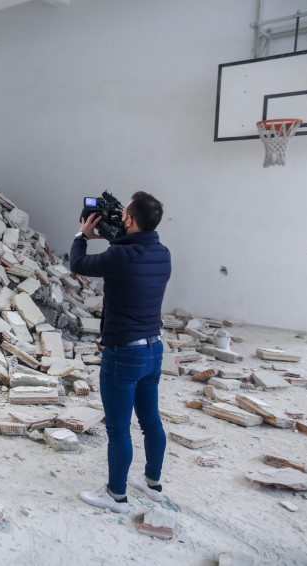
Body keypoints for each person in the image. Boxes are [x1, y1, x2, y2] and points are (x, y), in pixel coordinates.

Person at [69, 191, 172, 514]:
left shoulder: (121, 255)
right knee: (150, 421)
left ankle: (115, 496)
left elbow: (78, 263)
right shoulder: (162, 253)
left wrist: (82, 236)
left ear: (130, 220)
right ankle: (152, 484)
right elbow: (132, 253)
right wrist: (116, 238)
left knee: (118, 429)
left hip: (124, 354)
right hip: (153, 350)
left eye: (123, 212)